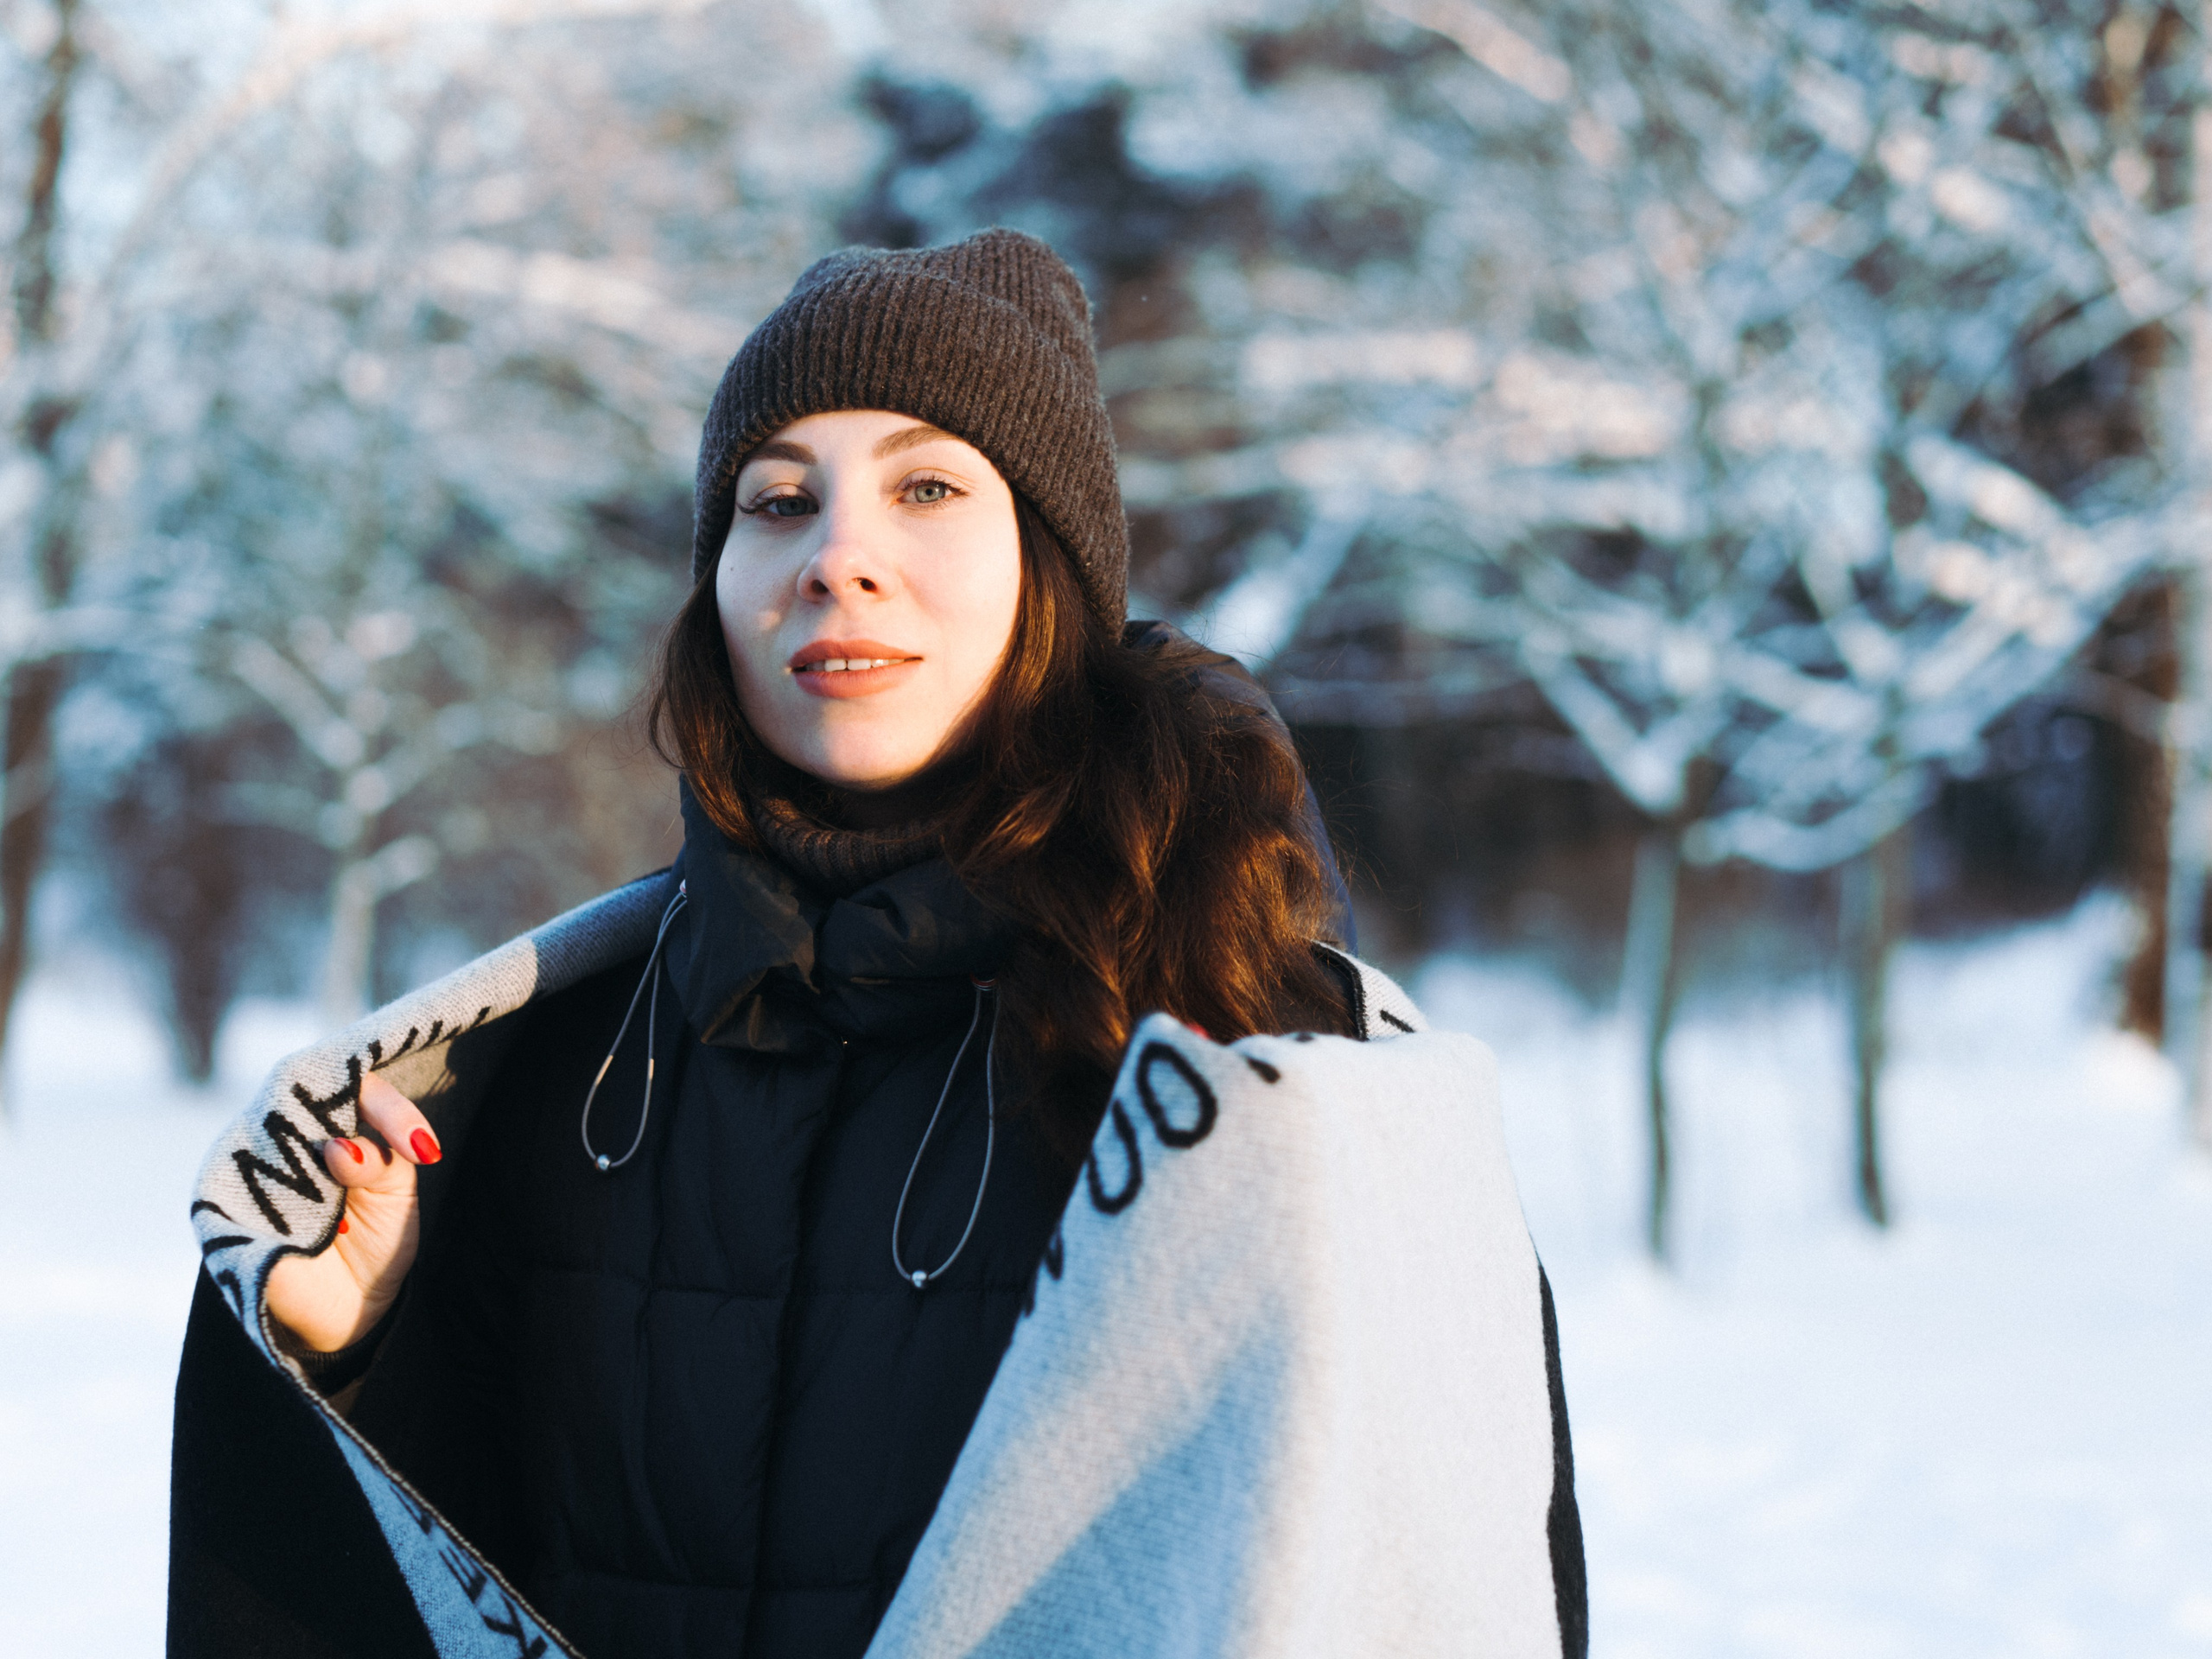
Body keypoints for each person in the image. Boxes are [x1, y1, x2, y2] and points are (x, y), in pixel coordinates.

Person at [173, 230, 1592, 1659]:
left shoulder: (1263, 1064)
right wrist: (355, 1347)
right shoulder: (563, 1073)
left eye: (926, 487)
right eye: (777, 501)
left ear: (1051, 566)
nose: (838, 558)